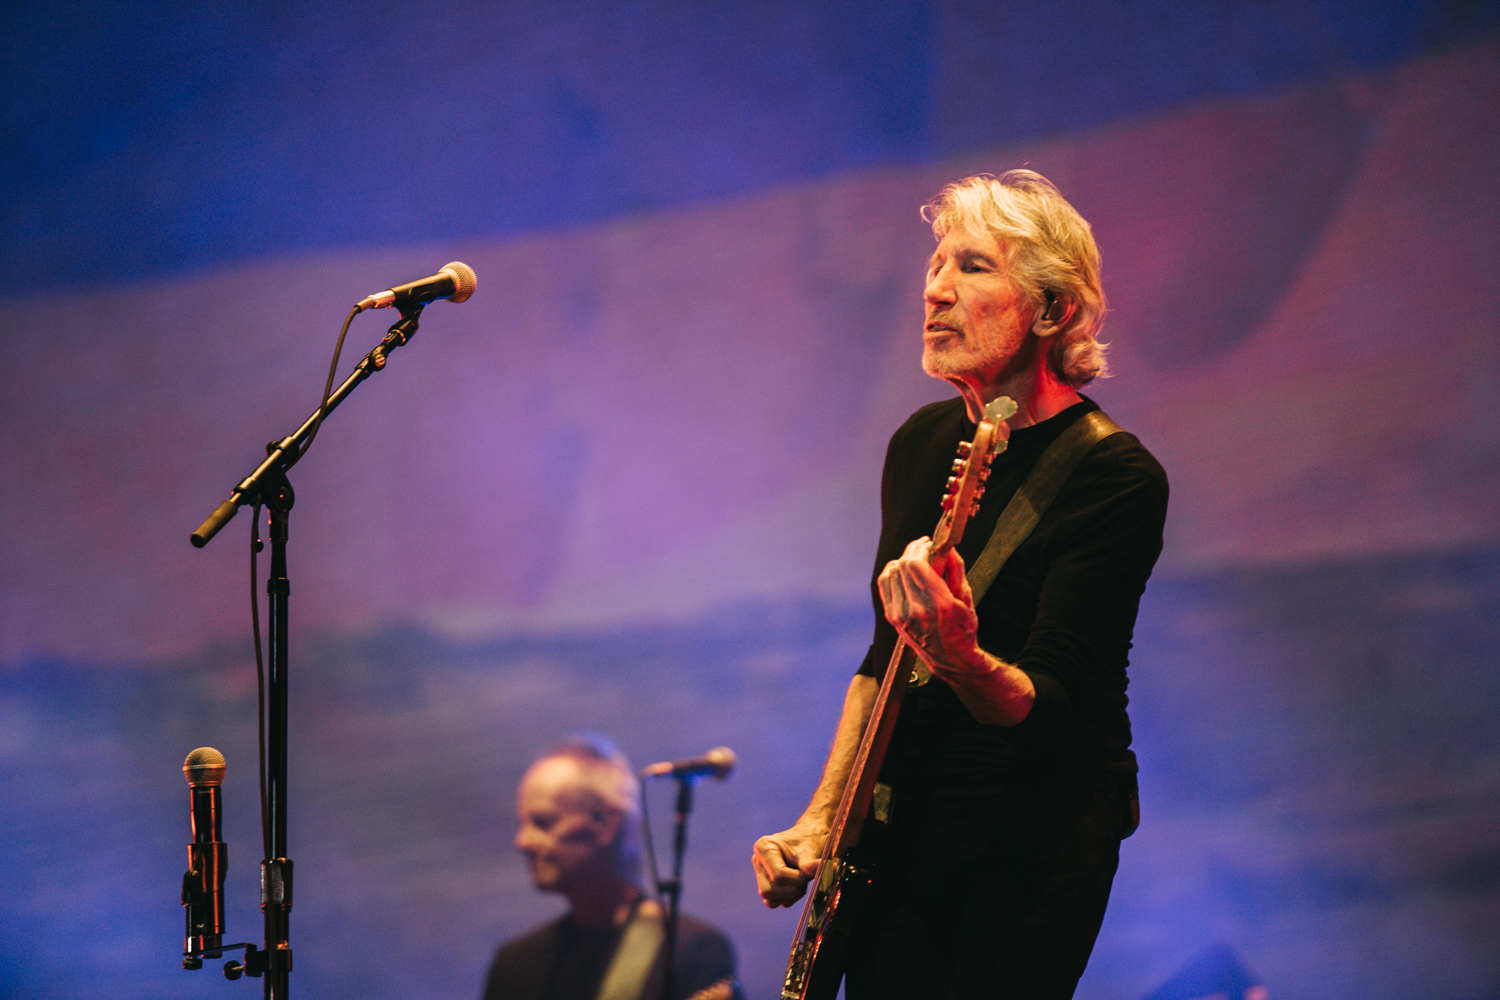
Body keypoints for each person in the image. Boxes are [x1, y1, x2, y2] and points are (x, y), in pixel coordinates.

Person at [752, 170, 1169, 998]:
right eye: (936, 264)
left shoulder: (1115, 475)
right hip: (903, 831)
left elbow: (1045, 704)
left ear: (1052, 311)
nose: (935, 289)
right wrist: (819, 821)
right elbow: (881, 664)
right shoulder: (921, 440)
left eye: (973, 267)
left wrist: (961, 654)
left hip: (1030, 845)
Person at [483, 735, 741, 1000]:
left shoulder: (691, 949)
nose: (522, 842)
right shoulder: (515, 964)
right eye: (521, 824)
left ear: (607, 822)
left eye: (543, 822)